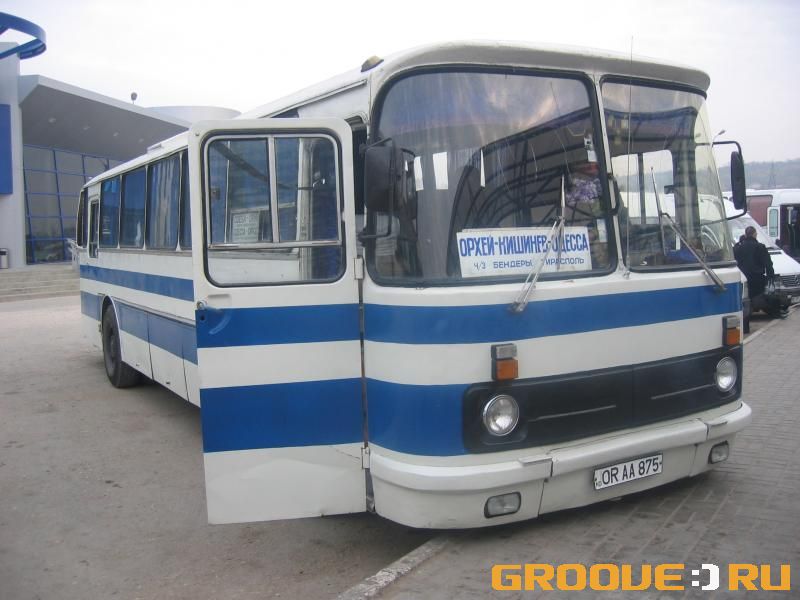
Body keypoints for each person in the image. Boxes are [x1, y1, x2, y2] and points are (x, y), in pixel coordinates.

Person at [734, 226, 784, 318]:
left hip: (743, 279)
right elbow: (768, 263)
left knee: (745, 297)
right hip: (757, 278)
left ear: (746, 235)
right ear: (754, 234)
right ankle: (774, 312)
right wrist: (771, 277)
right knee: (761, 296)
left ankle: (747, 314)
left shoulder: (738, 248)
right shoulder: (760, 247)